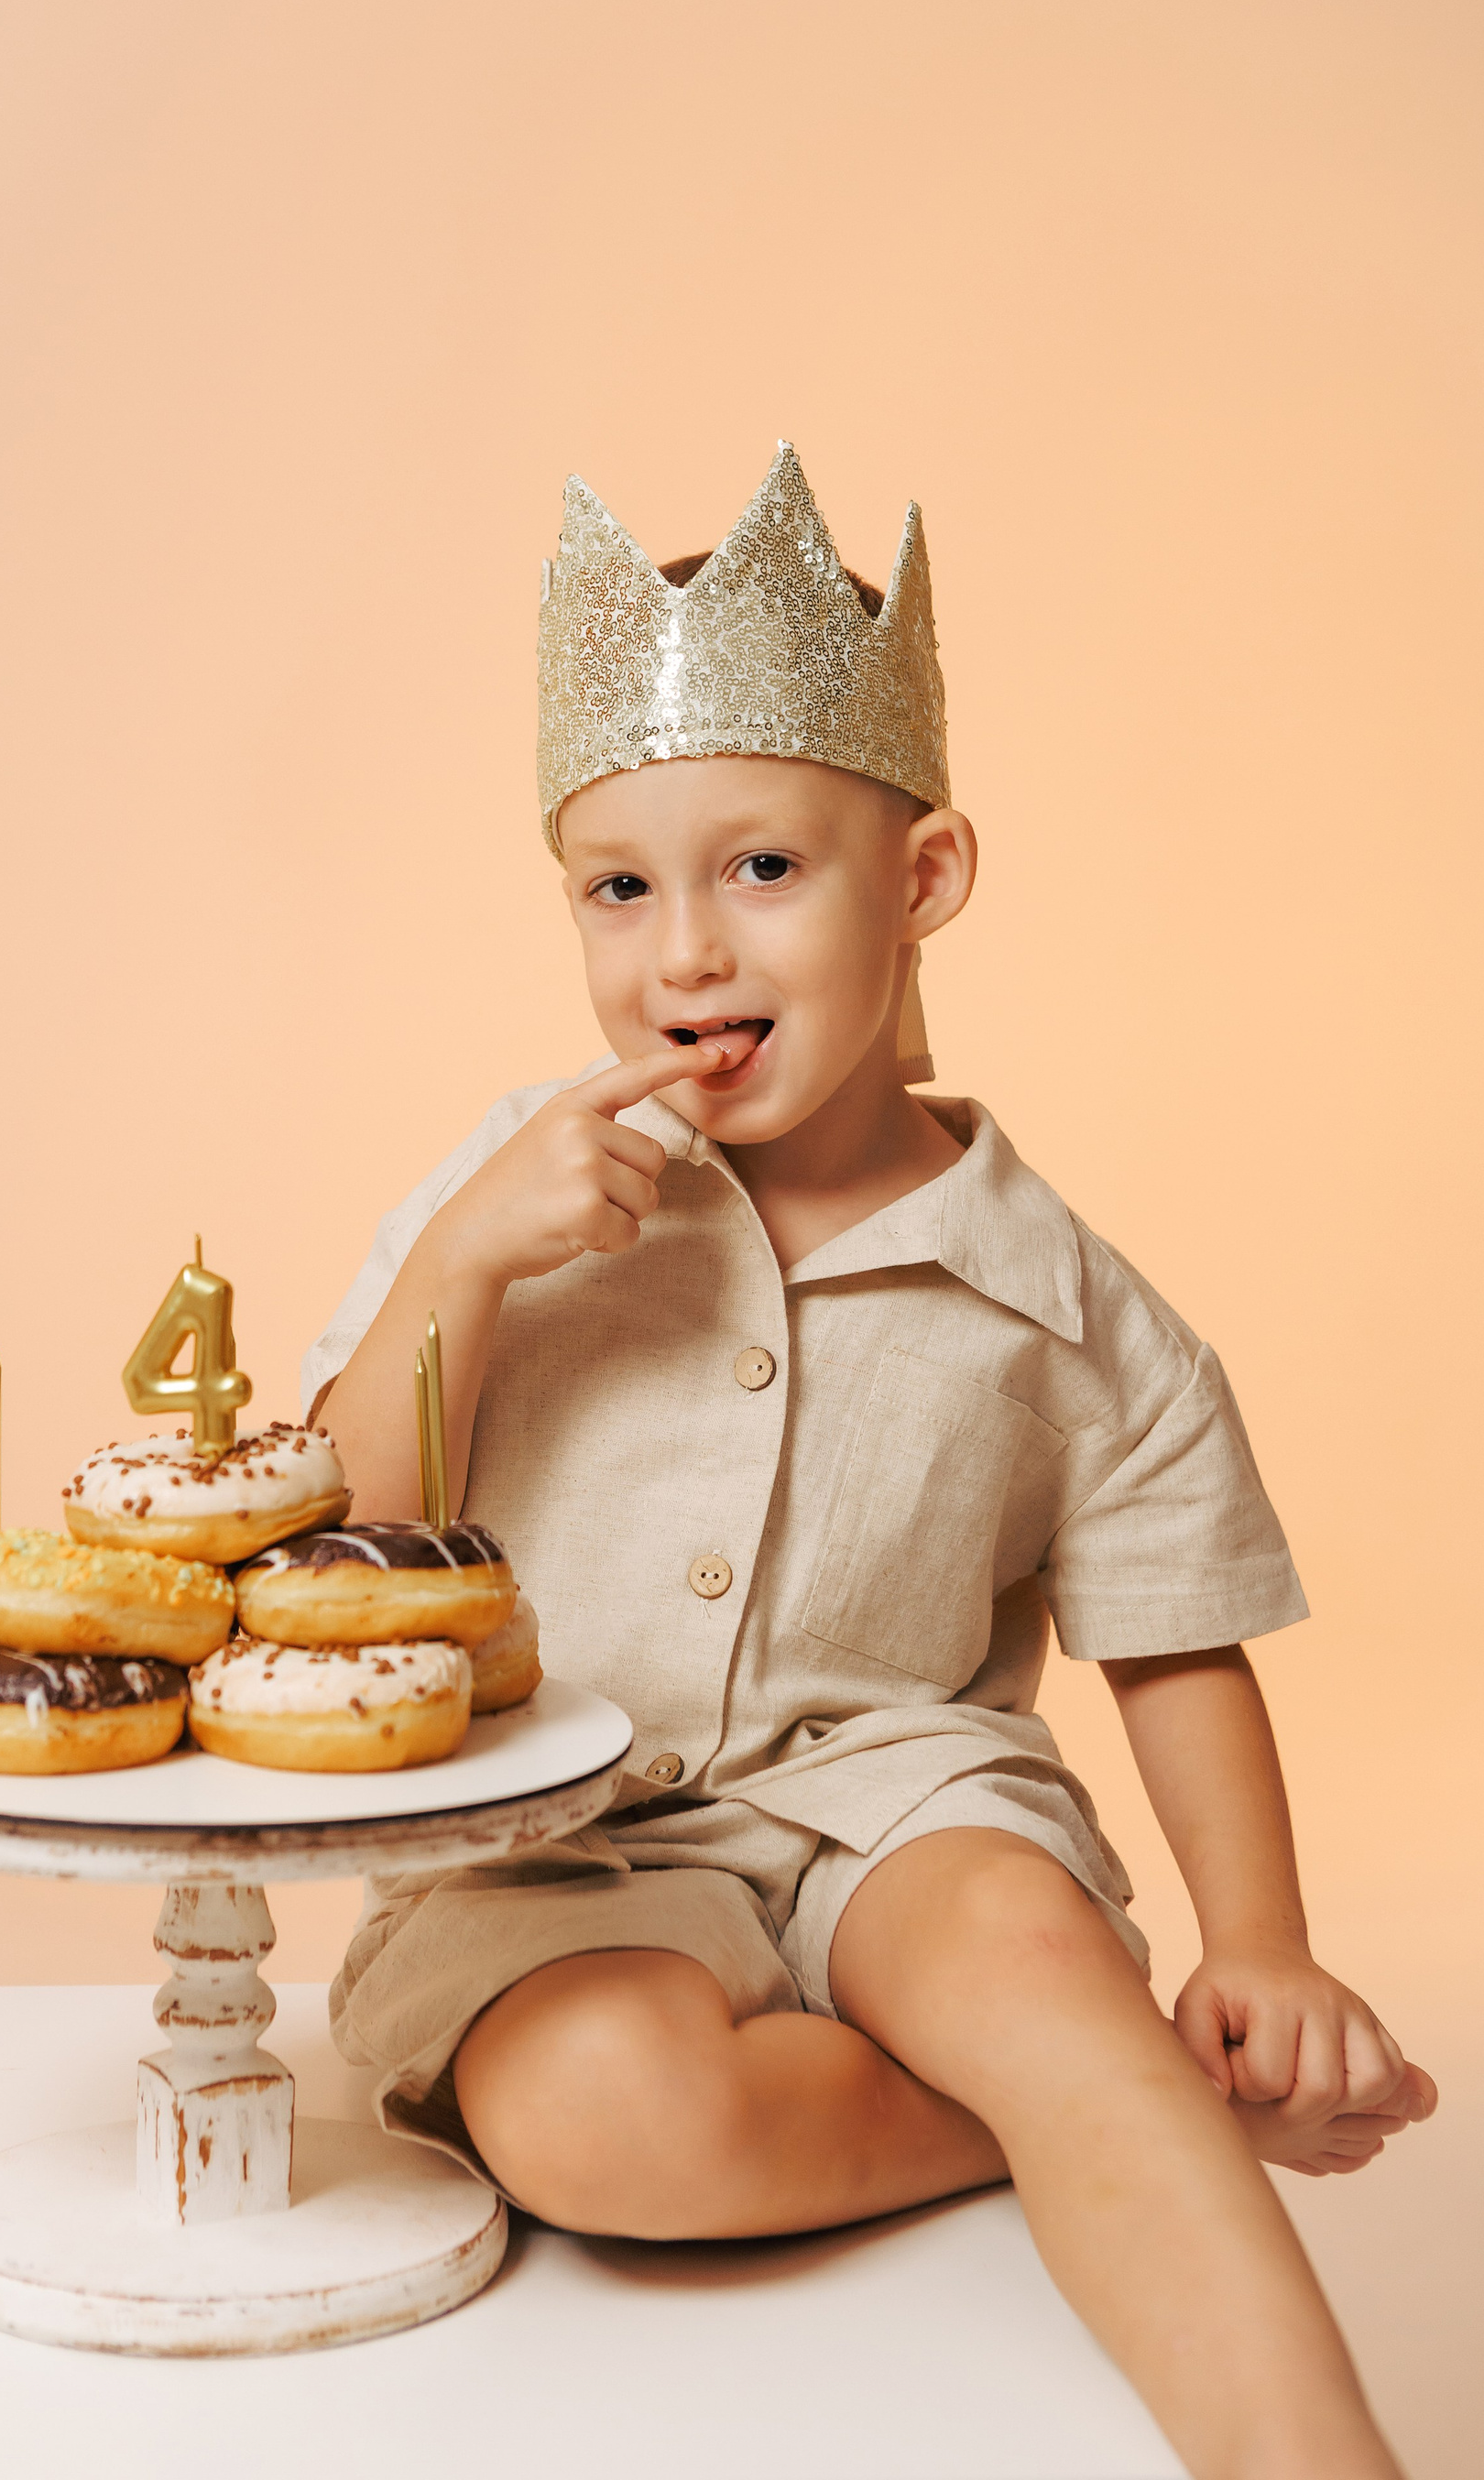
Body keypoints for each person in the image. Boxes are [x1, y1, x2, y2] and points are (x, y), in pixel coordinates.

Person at [307, 445, 1435, 2480]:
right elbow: (342, 1541)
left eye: (762, 868)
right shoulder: (511, 1205)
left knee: (1025, 1960)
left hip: (902, 1803)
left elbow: (1176, 1637)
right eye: (619, 887)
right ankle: (1102, 2104)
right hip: (556, 1838)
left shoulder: (1061, 1295)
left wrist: (1258, 1941)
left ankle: (1300, 2437)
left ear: (921, 881)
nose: (684, 953)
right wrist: (462, 1262)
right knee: (605, 2121)